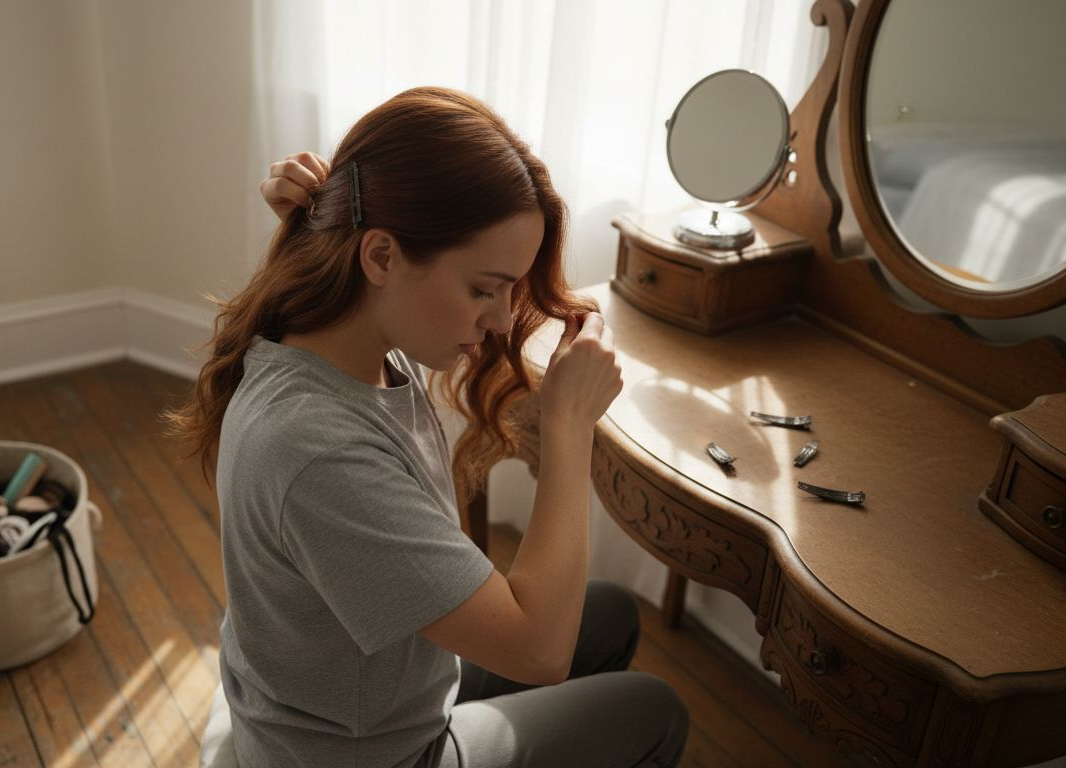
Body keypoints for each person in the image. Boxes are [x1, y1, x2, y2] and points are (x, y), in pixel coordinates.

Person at [170, 86, 688, 768]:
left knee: (612, 612)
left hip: (349, 697)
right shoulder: (316, 449)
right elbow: (540, 652)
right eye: (483, 289)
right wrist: (566, 428)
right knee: (653, 710)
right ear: (380, 257)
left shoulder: (345, 342)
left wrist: (308, 225)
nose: (504, 319)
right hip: (361, 755)